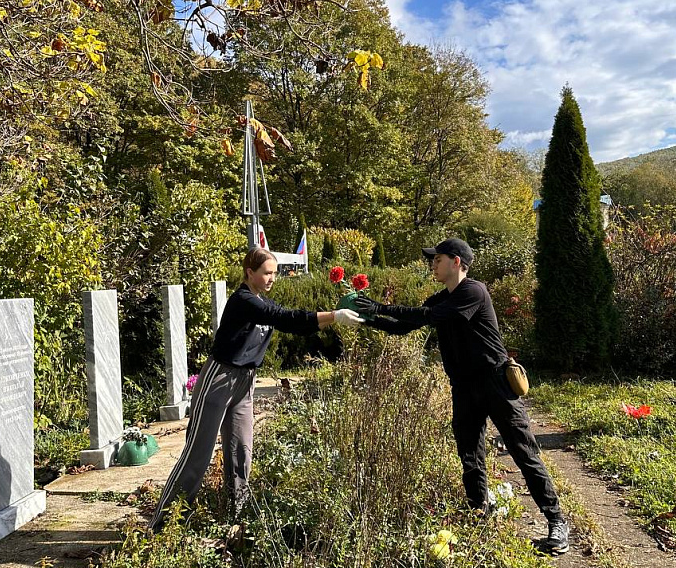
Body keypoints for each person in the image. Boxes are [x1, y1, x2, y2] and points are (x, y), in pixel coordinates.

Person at [354, 238, 569, 555]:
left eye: (437, 259)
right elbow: (406, 325)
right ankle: (477, 513)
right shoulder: (443, 298)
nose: (433, 264)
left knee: (523, 451)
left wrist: (380, 307)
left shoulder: (473, 292)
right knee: (470, 454)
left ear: (456, 261)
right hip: (464, 387)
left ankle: (556, 521)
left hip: (495, 383)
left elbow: (426, 316)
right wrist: (369, 317)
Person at [150, 247, 364, 530]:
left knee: (241, 450)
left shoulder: (259, 299)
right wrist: (334, 316)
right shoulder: (244, 300)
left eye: (274, 273)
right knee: (198, 453)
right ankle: (164, 525)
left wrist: (332, 318)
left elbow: (295, 326)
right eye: (266, 273)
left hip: (244, 382)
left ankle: (236, 518)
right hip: (219, 379)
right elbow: (285, 317)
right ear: (249, 273)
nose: (272, 278)